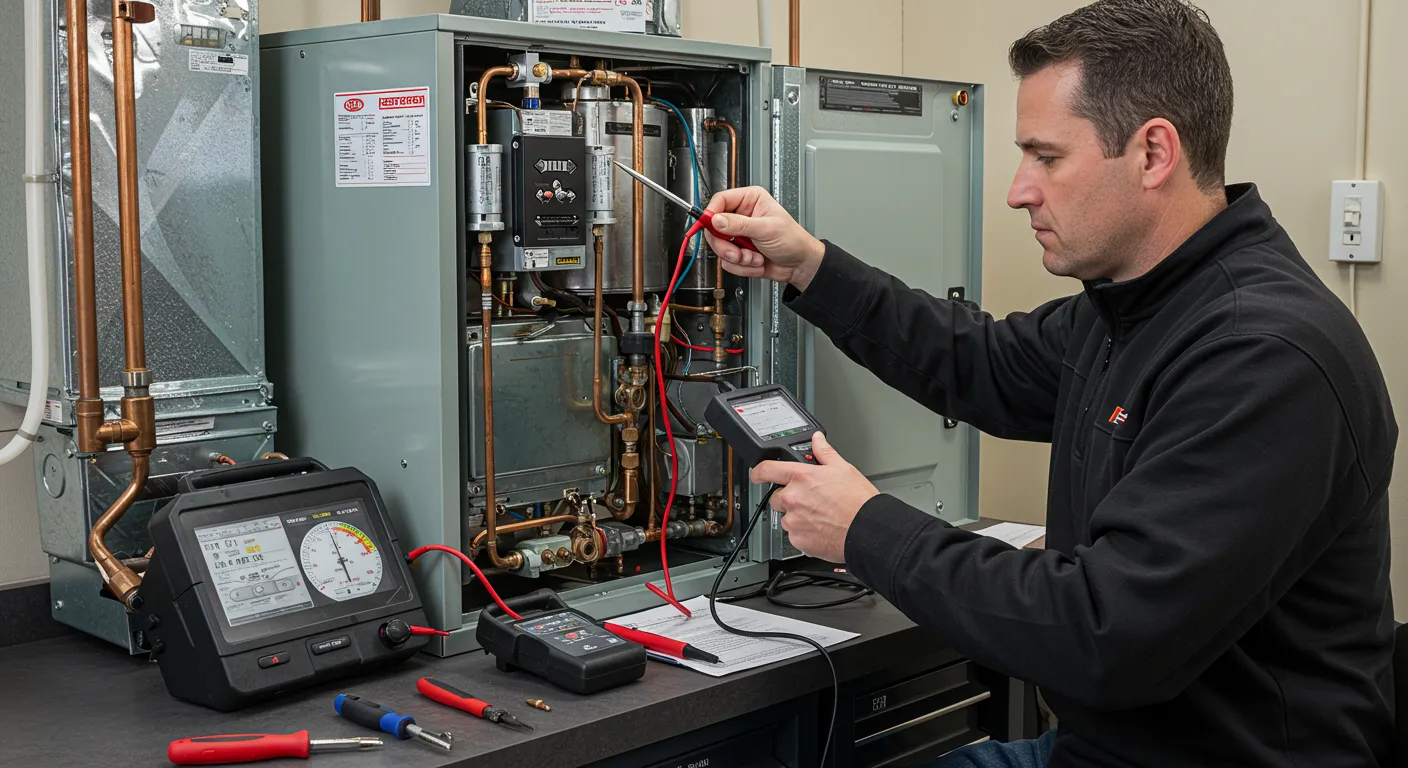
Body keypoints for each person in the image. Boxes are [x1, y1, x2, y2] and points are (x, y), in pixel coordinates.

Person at [700, 1, 1397, 766]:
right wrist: (807, 264)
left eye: (1046, 157)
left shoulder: (1263, 356)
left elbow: (1107, 633)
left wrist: (865, 528)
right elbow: (982, 363)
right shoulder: (1137, 304)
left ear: (1153, 152)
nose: (1018, 190)